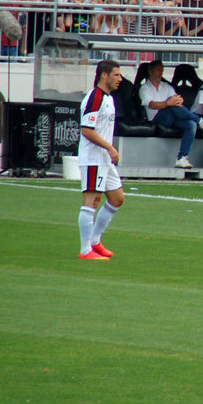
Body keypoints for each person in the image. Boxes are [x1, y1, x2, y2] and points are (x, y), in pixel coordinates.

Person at [77, 60, 125, 260]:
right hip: (93, 157)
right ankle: (85, 250)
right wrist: (109, 146)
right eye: (116, 75)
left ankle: (95, 241)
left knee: (117, 198)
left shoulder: (108, 98)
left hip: (104, 158)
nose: (120, 79)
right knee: (91, 200)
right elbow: (87, 130)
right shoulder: (95, 97)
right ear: (104, 75)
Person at [139, 60, 203, 169]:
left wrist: (175, 102)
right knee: (172, 105)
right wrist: (168, 103)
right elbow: (152, 104)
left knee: (190, 124)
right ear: (150, 71)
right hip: (156, 118)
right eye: (158, 70)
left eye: (162, 71)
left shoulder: (166, 86)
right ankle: (199, 120)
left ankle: (182, 158)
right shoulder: (144, 88)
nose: (160, 73)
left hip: (173, 117)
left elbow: (177, 100)